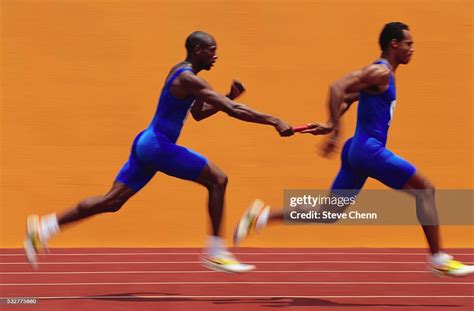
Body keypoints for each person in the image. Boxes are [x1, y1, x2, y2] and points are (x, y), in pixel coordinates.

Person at [24, 31, 294, 273]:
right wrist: (274, 120)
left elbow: (199, 114)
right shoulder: (189, 79)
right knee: (218, 179)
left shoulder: (186, 75)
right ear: (198, 50)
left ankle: (44, 226)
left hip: (148, 142)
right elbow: (231, 111)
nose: (216, 55)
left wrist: (228, 97)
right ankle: (216, 253)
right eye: (212, 50)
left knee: (112, 201)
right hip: (157, 145)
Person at [233, 22, 474, 277]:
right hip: (369, 150)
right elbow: (337, 88)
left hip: (357, 152)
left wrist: (328, 124)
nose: (412, 49)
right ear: (394, 44)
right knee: (425, 190)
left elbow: (347, 98)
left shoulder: (382, 76)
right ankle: (438, 258)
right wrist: (335, 132)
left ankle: (263, 215)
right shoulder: (380, 72)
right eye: (409, 44)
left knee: (327, 214)